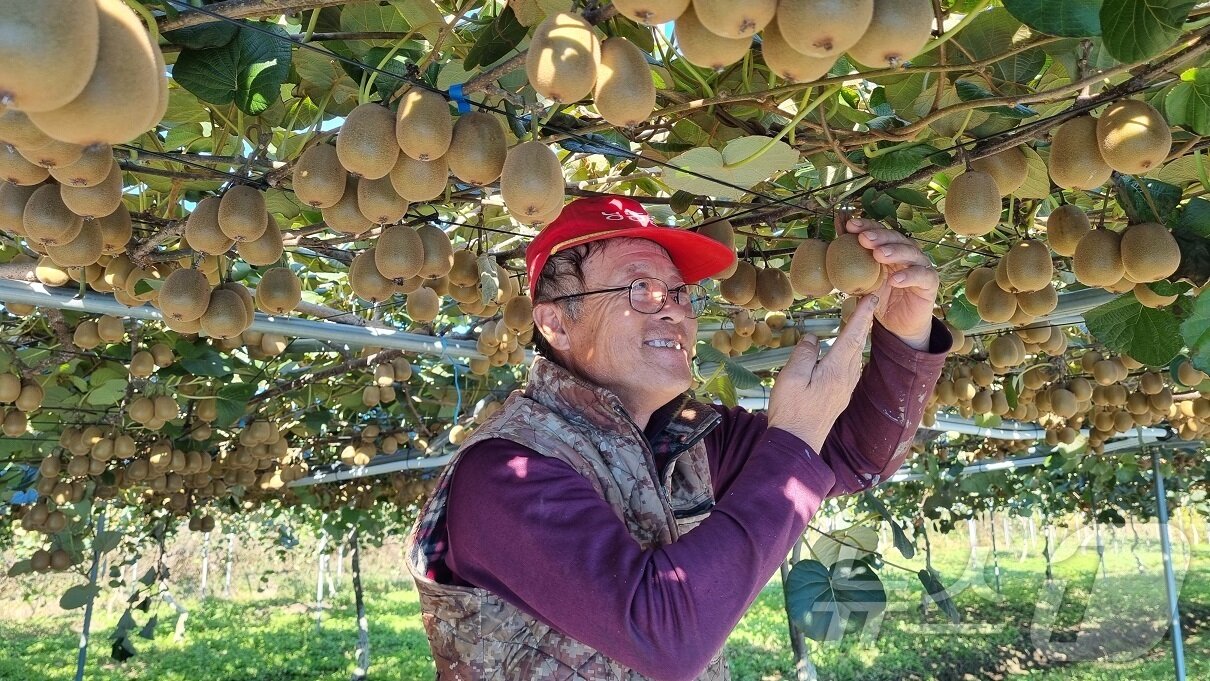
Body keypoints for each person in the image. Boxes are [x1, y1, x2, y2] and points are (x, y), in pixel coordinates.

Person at [407, 195, 950, 680]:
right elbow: (665, 638)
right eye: (640, 289)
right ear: (556, 325)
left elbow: (851, 458)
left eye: (679, 291)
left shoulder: (690, 437)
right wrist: (796, 435)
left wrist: (906, 331)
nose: (672, 308)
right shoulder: (505, 472)